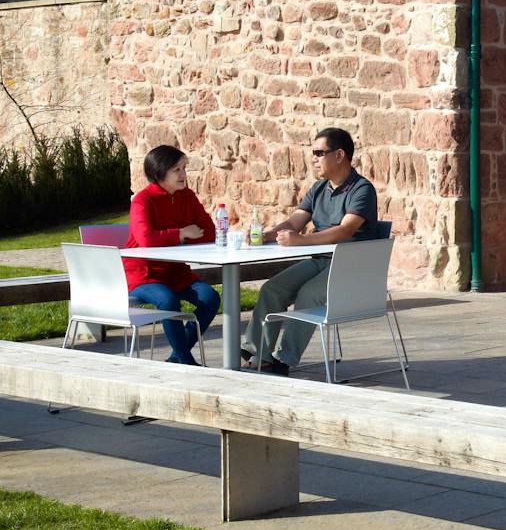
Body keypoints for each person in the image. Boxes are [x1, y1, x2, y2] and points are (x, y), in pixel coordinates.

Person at [246, 126, 379, 376]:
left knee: (308, 295)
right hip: (321, 260)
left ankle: (284, 359)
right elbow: (294, 222)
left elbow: (345, 230)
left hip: (351, 265)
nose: (314, 158)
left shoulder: (361, 189)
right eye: (313, 153)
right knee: (272, 289)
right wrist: (266, 235)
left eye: (319, 152)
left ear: (339, 155)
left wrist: (301, 240)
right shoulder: (318, 189)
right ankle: (258, 354)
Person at [122, 143, 222, 366]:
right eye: (177, 170)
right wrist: (182, 233)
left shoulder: (186, 196)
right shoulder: (142, 200)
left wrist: (183, 235)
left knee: (210, 298)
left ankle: (178, 356)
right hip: (143, 272)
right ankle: (186, 361)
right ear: (159, 173)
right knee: (168, 299)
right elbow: (146, 239)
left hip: (175, 271)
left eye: (184, 168)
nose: (183, 174)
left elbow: (210, 231)